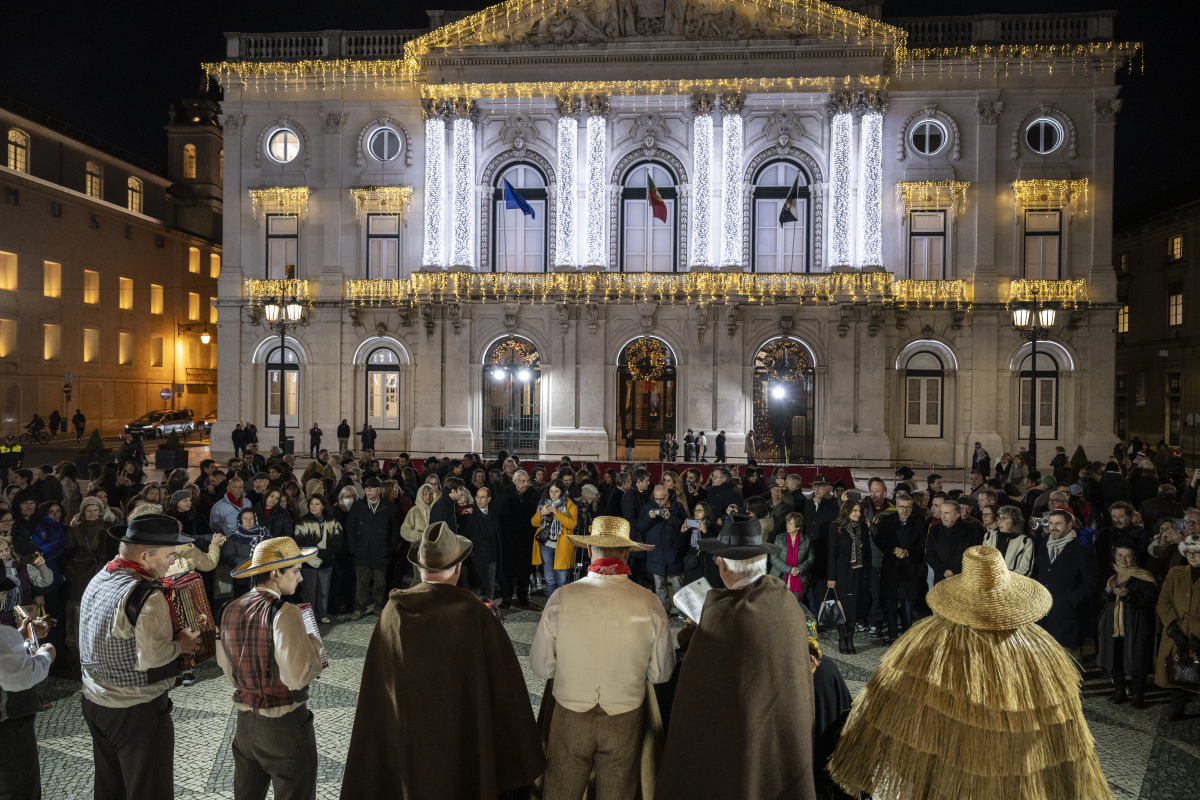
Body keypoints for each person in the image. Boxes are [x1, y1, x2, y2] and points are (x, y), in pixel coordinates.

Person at [829, 546, 1110, 800]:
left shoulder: (931, 642)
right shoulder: (1039, 649)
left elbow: (886, 707)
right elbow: (1063, 736)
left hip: (949, 767)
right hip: (1014, 770)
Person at [339, 522, 546, 799]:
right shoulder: (474, 612)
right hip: (463, 743)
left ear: (419, 568)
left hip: (408, 745)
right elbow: (505, 688)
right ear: (458, 568)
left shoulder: (394, 611)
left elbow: (379, 687)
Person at [657, 512, 817, 800]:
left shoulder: (720, 615)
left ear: (723, 566)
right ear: (763, 561)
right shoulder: (785, 602)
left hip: (734, 744)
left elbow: (696, 693)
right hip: (781, 742)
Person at [530, 516, 673, 799]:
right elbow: (660, 674)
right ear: (627, 552)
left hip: (570, 713)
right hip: (624, 716)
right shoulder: (650, 602)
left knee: (560, 790)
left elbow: (541, 666)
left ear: (589, 550)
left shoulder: (562, 597)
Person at [78, 515, 202, 800]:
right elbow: (153, 657)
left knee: (110, 788)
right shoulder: (147, 595)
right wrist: (181, 645)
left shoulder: (102, 576)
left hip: (94, 701)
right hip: (135, 710)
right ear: (145, 556)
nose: (173, 561)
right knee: (150, 790)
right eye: (169, 555)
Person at [217, 537, 324, 800]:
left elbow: (227, 668)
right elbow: (297, 677)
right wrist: (314, 647)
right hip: (284, 726)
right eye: (296, 571)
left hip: (245, 726)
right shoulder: (285, 611)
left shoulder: (229, 608)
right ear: (275, 574)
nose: (300, 578)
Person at [0, 600, 55, 800]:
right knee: (19, 791)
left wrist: (20, 635)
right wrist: (46, 655)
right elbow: (21, 677)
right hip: (7, 730)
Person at [1096, 539, 1158, 709]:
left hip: (1136, 625)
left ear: (1134, 557)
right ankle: (1119, 690)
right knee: (1114, 657)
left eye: (1128, 556)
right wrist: (1109, 590)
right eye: (1119, 555)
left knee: (1137, 659)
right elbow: (1100, 598)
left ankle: (1138, 695)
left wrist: (1128, 596)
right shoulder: (1109, 574)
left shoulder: (1144, 576)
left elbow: (1150, 599)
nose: (1123, 559)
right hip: (1112, 625)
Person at [1034, 509, 1100, 660]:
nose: (1053, 527)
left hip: (1068, 618)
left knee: (1069, 662)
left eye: (1058, 523)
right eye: (1051, 523)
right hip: (1045, 615)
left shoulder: (1082, 552)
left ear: (1070, 525)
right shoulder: (1043, 547)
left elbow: (1091, 582)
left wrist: (1071, 600)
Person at [1155, 534, 1200, 721]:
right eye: (1189, 552)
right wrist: (1173, 628)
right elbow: (1164, 602)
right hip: (1178, 629)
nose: (1192, 556)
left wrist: (1197, 635)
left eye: (1197, 552)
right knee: (1177, 669)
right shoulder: (1175, 573)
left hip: (1196, 631)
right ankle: (1177, 707)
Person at [873, 491, 926, 642]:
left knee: (907, 605)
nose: (905, 510)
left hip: (909, 571)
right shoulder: (886, 521)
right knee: (890, 604)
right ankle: (892, 636)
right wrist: (892, 550)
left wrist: (907, 552)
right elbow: (880, 541)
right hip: (891, 569)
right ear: (896, 507)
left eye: (908, 507)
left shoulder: (919, 523)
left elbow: (922, 547)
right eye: (902, 507)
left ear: (912, 508)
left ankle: (906, 639)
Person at [346, 477, 395, 620]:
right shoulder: (357, 506)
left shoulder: (388, 506)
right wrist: (353, 548)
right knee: (361, 583)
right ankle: (359, 608)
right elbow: (350, 527)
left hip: (381, 551)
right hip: (362, 551)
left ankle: (378, 607)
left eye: (372, 488)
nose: (368, 490)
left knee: (380, 583)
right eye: (366, 488)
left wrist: (391, 546)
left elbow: (395, 527)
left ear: (379, 490)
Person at [637, 484, 688, 618]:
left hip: (673, 552)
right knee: (659, 584)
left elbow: (685, 525)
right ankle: (664, 610)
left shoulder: (677, 507)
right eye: (656, 499)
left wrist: (670, 517)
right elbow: (640, 526)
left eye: (661, 499)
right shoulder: (648, 507)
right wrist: (648, 517)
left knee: (677, 583)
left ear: (667, 496)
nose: (659, 502)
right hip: (656, 553)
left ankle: (682, 610)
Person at [826, 500, 871, 654]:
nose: (858, 514)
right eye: (854, 510)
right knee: (842, 606)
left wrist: (867, 572)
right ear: (847, 511)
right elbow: (832, 554)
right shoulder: (836, 527)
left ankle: (850, 639)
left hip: (858, 573)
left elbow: (868, 552)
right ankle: (841, 638)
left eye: (859, 511)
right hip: (842, 573)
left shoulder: (863, 527)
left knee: (854, 607)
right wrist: (831, 577)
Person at [292, 495, 342, 623]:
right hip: (308, 561)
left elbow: (337, 540)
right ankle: (309, 616)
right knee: (309, 591)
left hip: (327, 561)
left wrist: (325, 553)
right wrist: (317, 552)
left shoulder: (332, 520)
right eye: (312, 504)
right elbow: (300, 541)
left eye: (317, 504)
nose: (313, 507)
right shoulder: (303, 521)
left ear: (323, 506)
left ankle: (322, 614)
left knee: (323, 590)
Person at [498, 470, 540, 608]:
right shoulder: (504, 494)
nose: (526, 484)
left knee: (524, 571)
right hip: (508, 540)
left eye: (527, 481)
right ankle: (506, 598)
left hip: (526, 540)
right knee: (507, 572)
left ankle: (523, 596)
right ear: (514, 482)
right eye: (522, 481)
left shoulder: (534, 495)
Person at [531, 479, 578, 598]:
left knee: (562, 580)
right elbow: (533, 523)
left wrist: (557, 513)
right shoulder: (543, 503)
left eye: (556, 491)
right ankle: (551, 604)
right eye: (551, 491)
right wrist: (541, 513)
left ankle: (562, 604)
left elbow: (572, 524)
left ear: (562, 491)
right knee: (549, 579)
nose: (553, 494)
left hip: (562, 547)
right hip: (546, 546)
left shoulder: (569, 504)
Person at [926, 499, 983, 585]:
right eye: (941, 512)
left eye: (947, 513)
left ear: (957, 515)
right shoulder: (935, 530)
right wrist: (944, 571)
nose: (943, 516)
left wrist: (955, 572)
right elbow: (930, 555)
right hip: (940, 580)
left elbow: (974, 558)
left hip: (963, 581)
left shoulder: (972, 533)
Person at [464, 485, 503, 600]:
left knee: (491, 586)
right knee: (476, 588)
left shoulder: (495, 513)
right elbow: (465, 536)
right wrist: (472, 554)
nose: (479, 500)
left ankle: (490, 607)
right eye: (477, 497)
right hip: (477, 559)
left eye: (482, 497)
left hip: (492, 557)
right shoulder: (470, 514)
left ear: (489, 499)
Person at [770, 510, 813, 608]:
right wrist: (789, 569)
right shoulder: (779, 538)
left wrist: (800, 569)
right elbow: (773, 557)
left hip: (798, 577)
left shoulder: (806, 540)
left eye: (790, 524)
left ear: (798, 527)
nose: (787, 525)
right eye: (787, 523)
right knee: (778, 606)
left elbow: (811, 558)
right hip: (780, 575)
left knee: (795, 606)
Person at [984, 505, 1035, 576]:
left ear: (1014, 521)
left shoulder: (1025, 542)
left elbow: (1025, 569)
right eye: (999, 518)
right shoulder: (989, 536)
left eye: (1003, 518)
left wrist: (1003, 577)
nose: (999, 521)